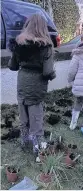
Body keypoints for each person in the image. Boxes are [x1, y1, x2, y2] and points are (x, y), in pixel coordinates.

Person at [8, 14, 56, 154]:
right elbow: (47, 72)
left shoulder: (18, 44)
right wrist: (53, 74)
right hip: (37, 85)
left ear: (27, 25)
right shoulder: (45, 46)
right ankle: (37, 147)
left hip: (22, 82)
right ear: (43, 27)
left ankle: (24, 141)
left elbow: (12, 66)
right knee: (36, 114)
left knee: (23, 112)